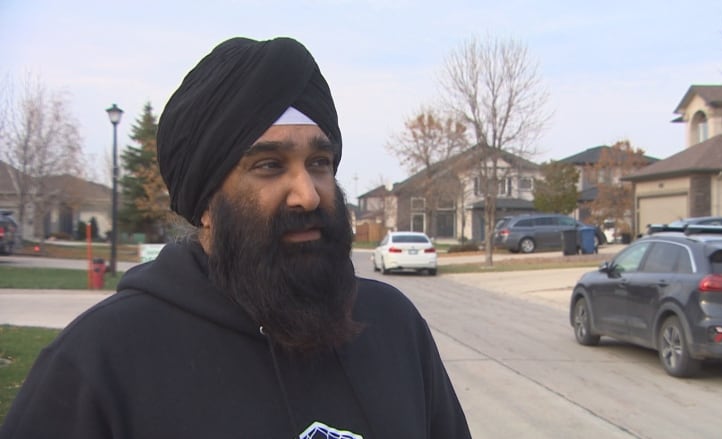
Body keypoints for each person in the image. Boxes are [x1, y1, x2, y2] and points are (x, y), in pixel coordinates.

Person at [0, 37, 471, 438]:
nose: (307, 194)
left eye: (319, 163)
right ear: (206, 204)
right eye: (269, 166)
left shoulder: (392, 326)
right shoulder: (100, 361)